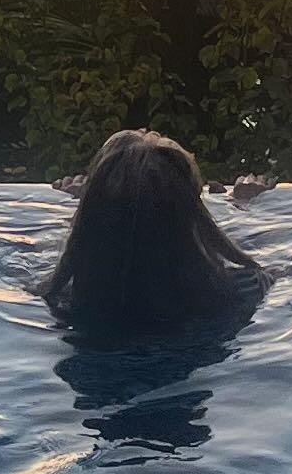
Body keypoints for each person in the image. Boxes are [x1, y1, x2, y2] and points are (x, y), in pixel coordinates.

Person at [40, 128, 267, 327]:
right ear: (196, 214)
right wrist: (245, 206)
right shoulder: (241, 290)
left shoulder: (63, 298)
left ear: (90, 217)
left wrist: (84, 202)